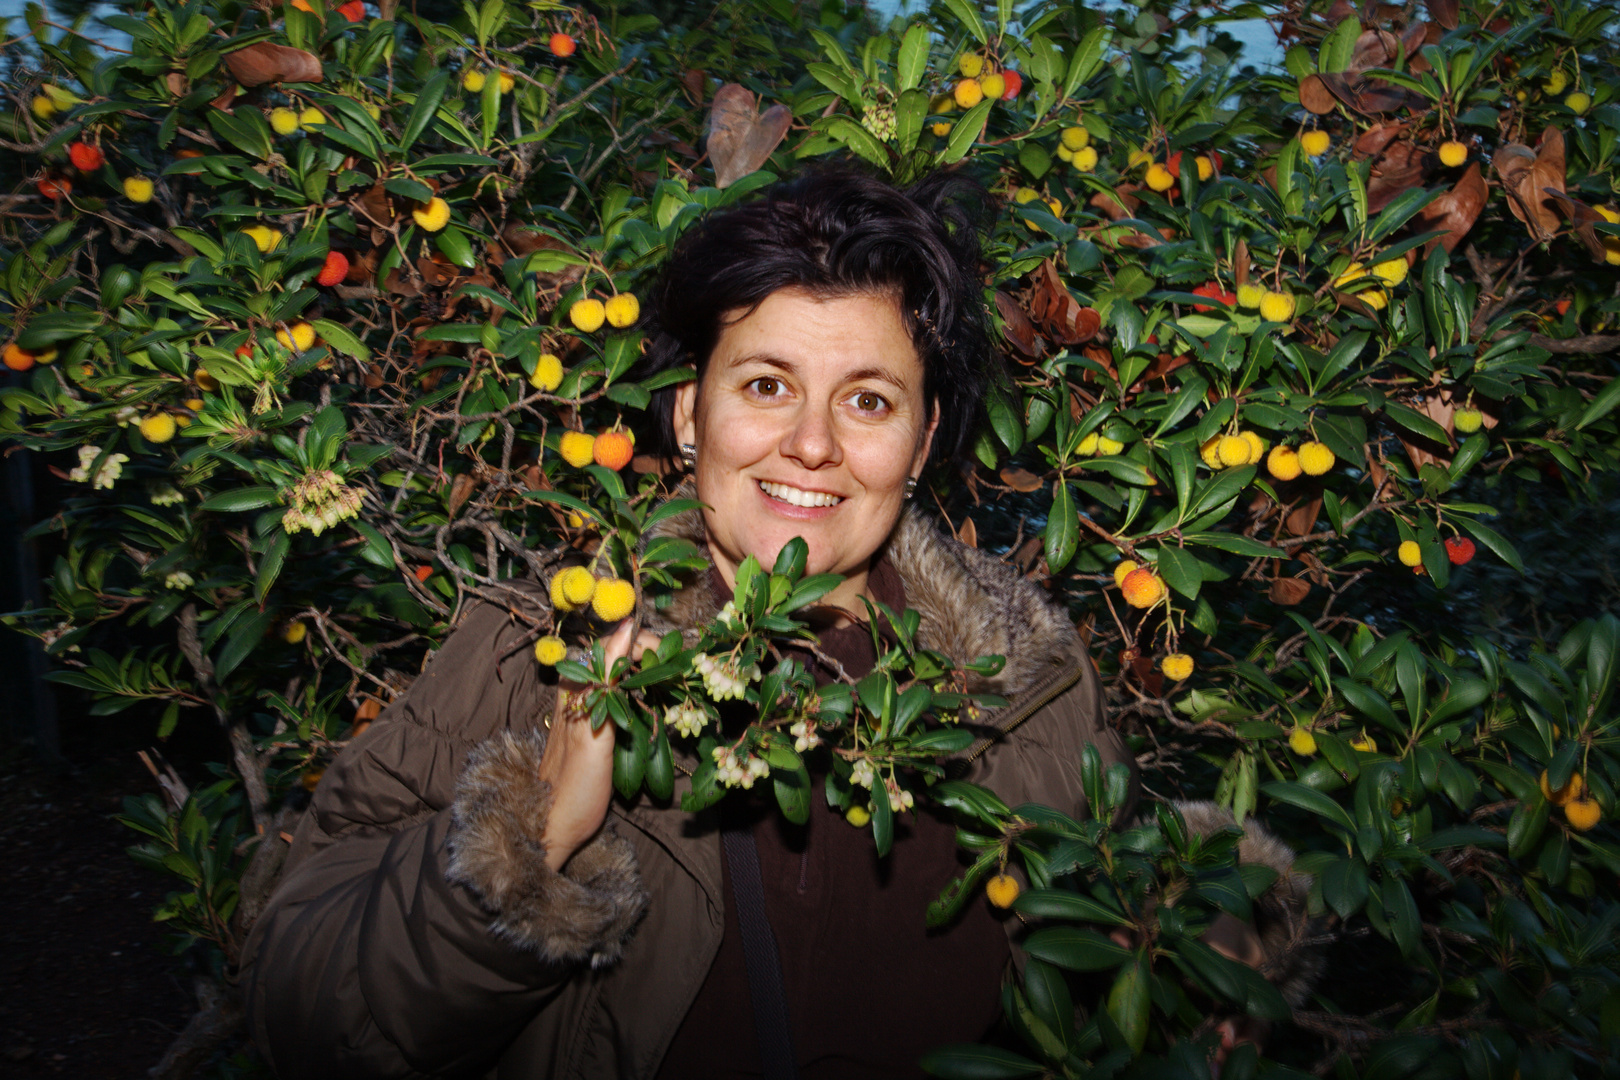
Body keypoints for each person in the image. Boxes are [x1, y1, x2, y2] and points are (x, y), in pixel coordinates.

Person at [240, 167, 1312, 1079]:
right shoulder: (538, 650)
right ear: (688, 411)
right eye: (765, 383)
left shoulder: (1026, 680)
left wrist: (1211, 931)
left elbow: (1105, 916)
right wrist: (531, 838)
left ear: (925, 436)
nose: (810, 445)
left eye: (868, 401)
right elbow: (303, 1012)